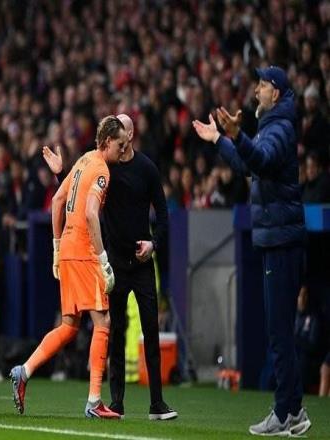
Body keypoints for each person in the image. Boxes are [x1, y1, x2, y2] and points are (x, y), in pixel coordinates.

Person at [192, 66, 311, 436]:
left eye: (262, 85)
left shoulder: (280, 127)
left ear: (276, 92)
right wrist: (220, 140)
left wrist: (237, 135)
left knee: (279, 332)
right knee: (279, 330)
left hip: (281, 241)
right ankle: (293, 410)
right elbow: (248, 163)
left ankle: (286, 411)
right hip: (277, 239)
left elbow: (260, 159)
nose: (256, 90)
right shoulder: (271, 126)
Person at [43, 114, 177, 420]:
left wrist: (153, 243)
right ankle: (117, 403)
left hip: (142, 262)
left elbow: (163, 215)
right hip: (114, 261)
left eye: (126, 132)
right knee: (114, 330)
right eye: (119, 134)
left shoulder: (147, 169)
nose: (123, 140)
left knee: (151, 330)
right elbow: (75, 196)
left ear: (131, 135)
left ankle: (157, 403)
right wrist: (60, 174)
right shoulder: (106, 167)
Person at [10, 115, 126, 419]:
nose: (123, 149)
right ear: (107, 142)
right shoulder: (101, 169)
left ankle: (24, 370)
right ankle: (94, 401)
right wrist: (103, 260)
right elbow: (91, 213)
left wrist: (56, 247)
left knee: (70, 325)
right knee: (103, 321)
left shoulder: (84, 160)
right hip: (86, 252)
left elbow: (58, 200)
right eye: (120, 144)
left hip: (68, 250)